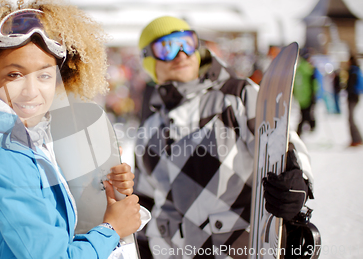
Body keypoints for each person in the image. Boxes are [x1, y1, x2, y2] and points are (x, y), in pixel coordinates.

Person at [0, 0, 142, 258]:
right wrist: (111, 229)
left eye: (44, 75)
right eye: (15, 74)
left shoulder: (24, 138)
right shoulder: (2, 154)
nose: (31, 91)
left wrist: (98, 191)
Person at [133, 16, 314, 259]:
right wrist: (143, 246)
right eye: (166, 47)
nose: (181, 54)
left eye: (187, 42)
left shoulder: (235, 96)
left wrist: (296, 179)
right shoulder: (148, 131)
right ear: (149, 60)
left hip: (238, 246)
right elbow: (145, 202)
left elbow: (286, 142)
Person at [293, 49, 318, 136]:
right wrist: (315, 92)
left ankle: (300, 130)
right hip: (308, 95)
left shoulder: (298, 68)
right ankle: (309, 128)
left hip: (300, 96)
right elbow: (313, 81)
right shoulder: (308, 68)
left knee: (304, 114)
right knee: (307, 114)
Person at [346, 55, 362, 147]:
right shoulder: (356, 70)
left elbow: (350, 86)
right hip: (355, 97)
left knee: (351, 119)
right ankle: (357, 138)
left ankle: (356, 139)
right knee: (351, 118)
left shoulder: (352, 71)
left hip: (352, 98)